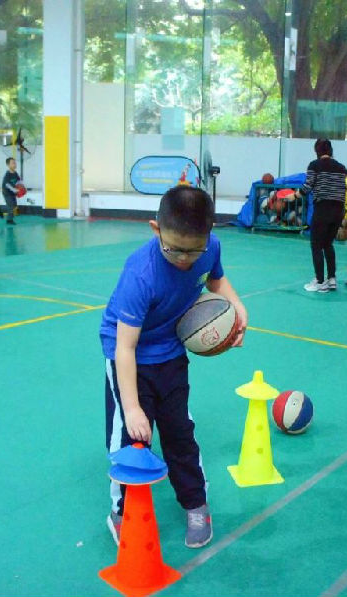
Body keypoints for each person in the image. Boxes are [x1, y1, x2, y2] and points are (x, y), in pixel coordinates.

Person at [100, 186, 247, 549]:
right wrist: (132, 408)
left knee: (180, 431)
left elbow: (216, 279)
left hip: (171, 349)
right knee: (132, 438)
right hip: (129, 355)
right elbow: (125, 347)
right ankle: (122, 512)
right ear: (156, 230)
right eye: (174, 249)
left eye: (193, 250)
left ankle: (195, 503)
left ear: (209, 234)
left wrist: (236, 307)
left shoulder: (210, 248)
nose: (184, 258)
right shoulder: (141, 274)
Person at [287, 138, 347, 293]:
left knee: (316, 245)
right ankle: (332, 279)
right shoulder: (342, 168)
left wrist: (294, 196)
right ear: (330, 150)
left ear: (317, 151)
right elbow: (344, 188)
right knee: (328, 244)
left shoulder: (314, 165)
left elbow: (308, 186)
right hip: (339, 210)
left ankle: (320, 281)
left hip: (323, 209)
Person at [0, 157, 22, 225]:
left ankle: (1, 209)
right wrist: (14, 190)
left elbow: (19, 181)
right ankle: (9, 220)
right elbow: (7, 184)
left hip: (12, 193)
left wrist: (22, 187)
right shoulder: (7, 174)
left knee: (14, 206)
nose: (14, 164)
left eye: (15, 163)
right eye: (13, 163)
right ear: (8, 165)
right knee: (11, 206)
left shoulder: (15, 173)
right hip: (7, 192)